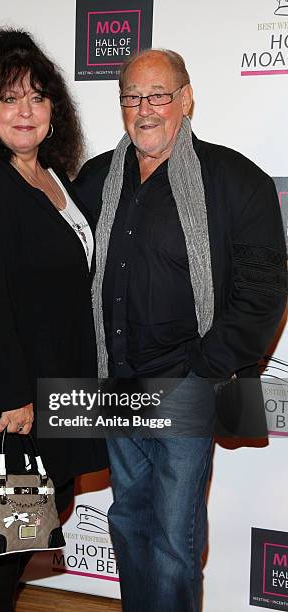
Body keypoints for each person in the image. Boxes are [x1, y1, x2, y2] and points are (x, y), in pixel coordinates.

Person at [75, 49, 287, 611]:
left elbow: (265, 291)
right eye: (132, 97)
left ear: (186, 100)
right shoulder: (97, 178)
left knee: (173, 541)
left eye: (158, 95)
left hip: (185, 389)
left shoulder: (237, 181)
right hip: (117, 388)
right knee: (126, 524)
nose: (145, 109)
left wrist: (203, 370)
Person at [0, 28, 107, 612]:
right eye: (8, 98)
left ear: (54, 108)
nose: (25, 110)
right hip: (7, 395)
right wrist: (13, 397)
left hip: (54, 381)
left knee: (27, 523)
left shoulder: (54, 178)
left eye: (37, 96)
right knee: (1, 538)